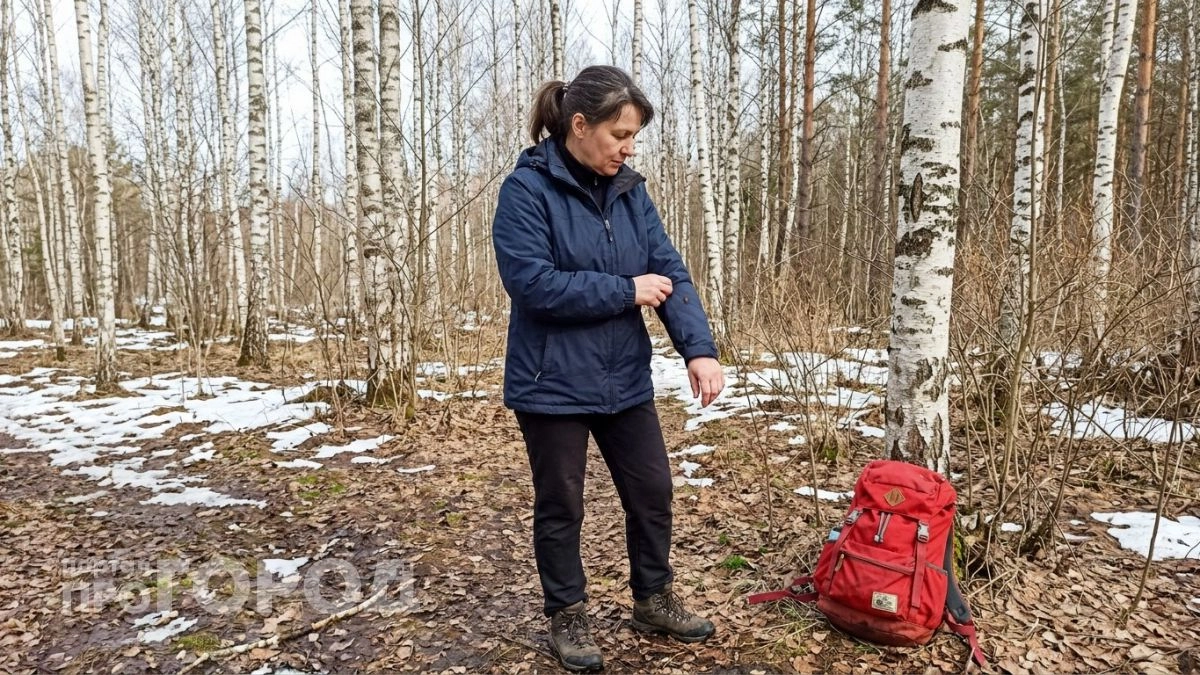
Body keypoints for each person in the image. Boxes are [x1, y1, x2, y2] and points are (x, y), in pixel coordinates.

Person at [491, 64, 726, 672]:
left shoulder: (631, 192)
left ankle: (653, 600)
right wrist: (624, 291)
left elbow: (669, 273)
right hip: (550, 382)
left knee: (652, 491)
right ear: (579, 125)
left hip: (623, 377)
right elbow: (532, 283)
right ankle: (567, 615)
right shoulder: (527, 189)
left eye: (634, 137)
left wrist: (698, 350)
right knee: (562, 502)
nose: (627, 146)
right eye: (619, 133)